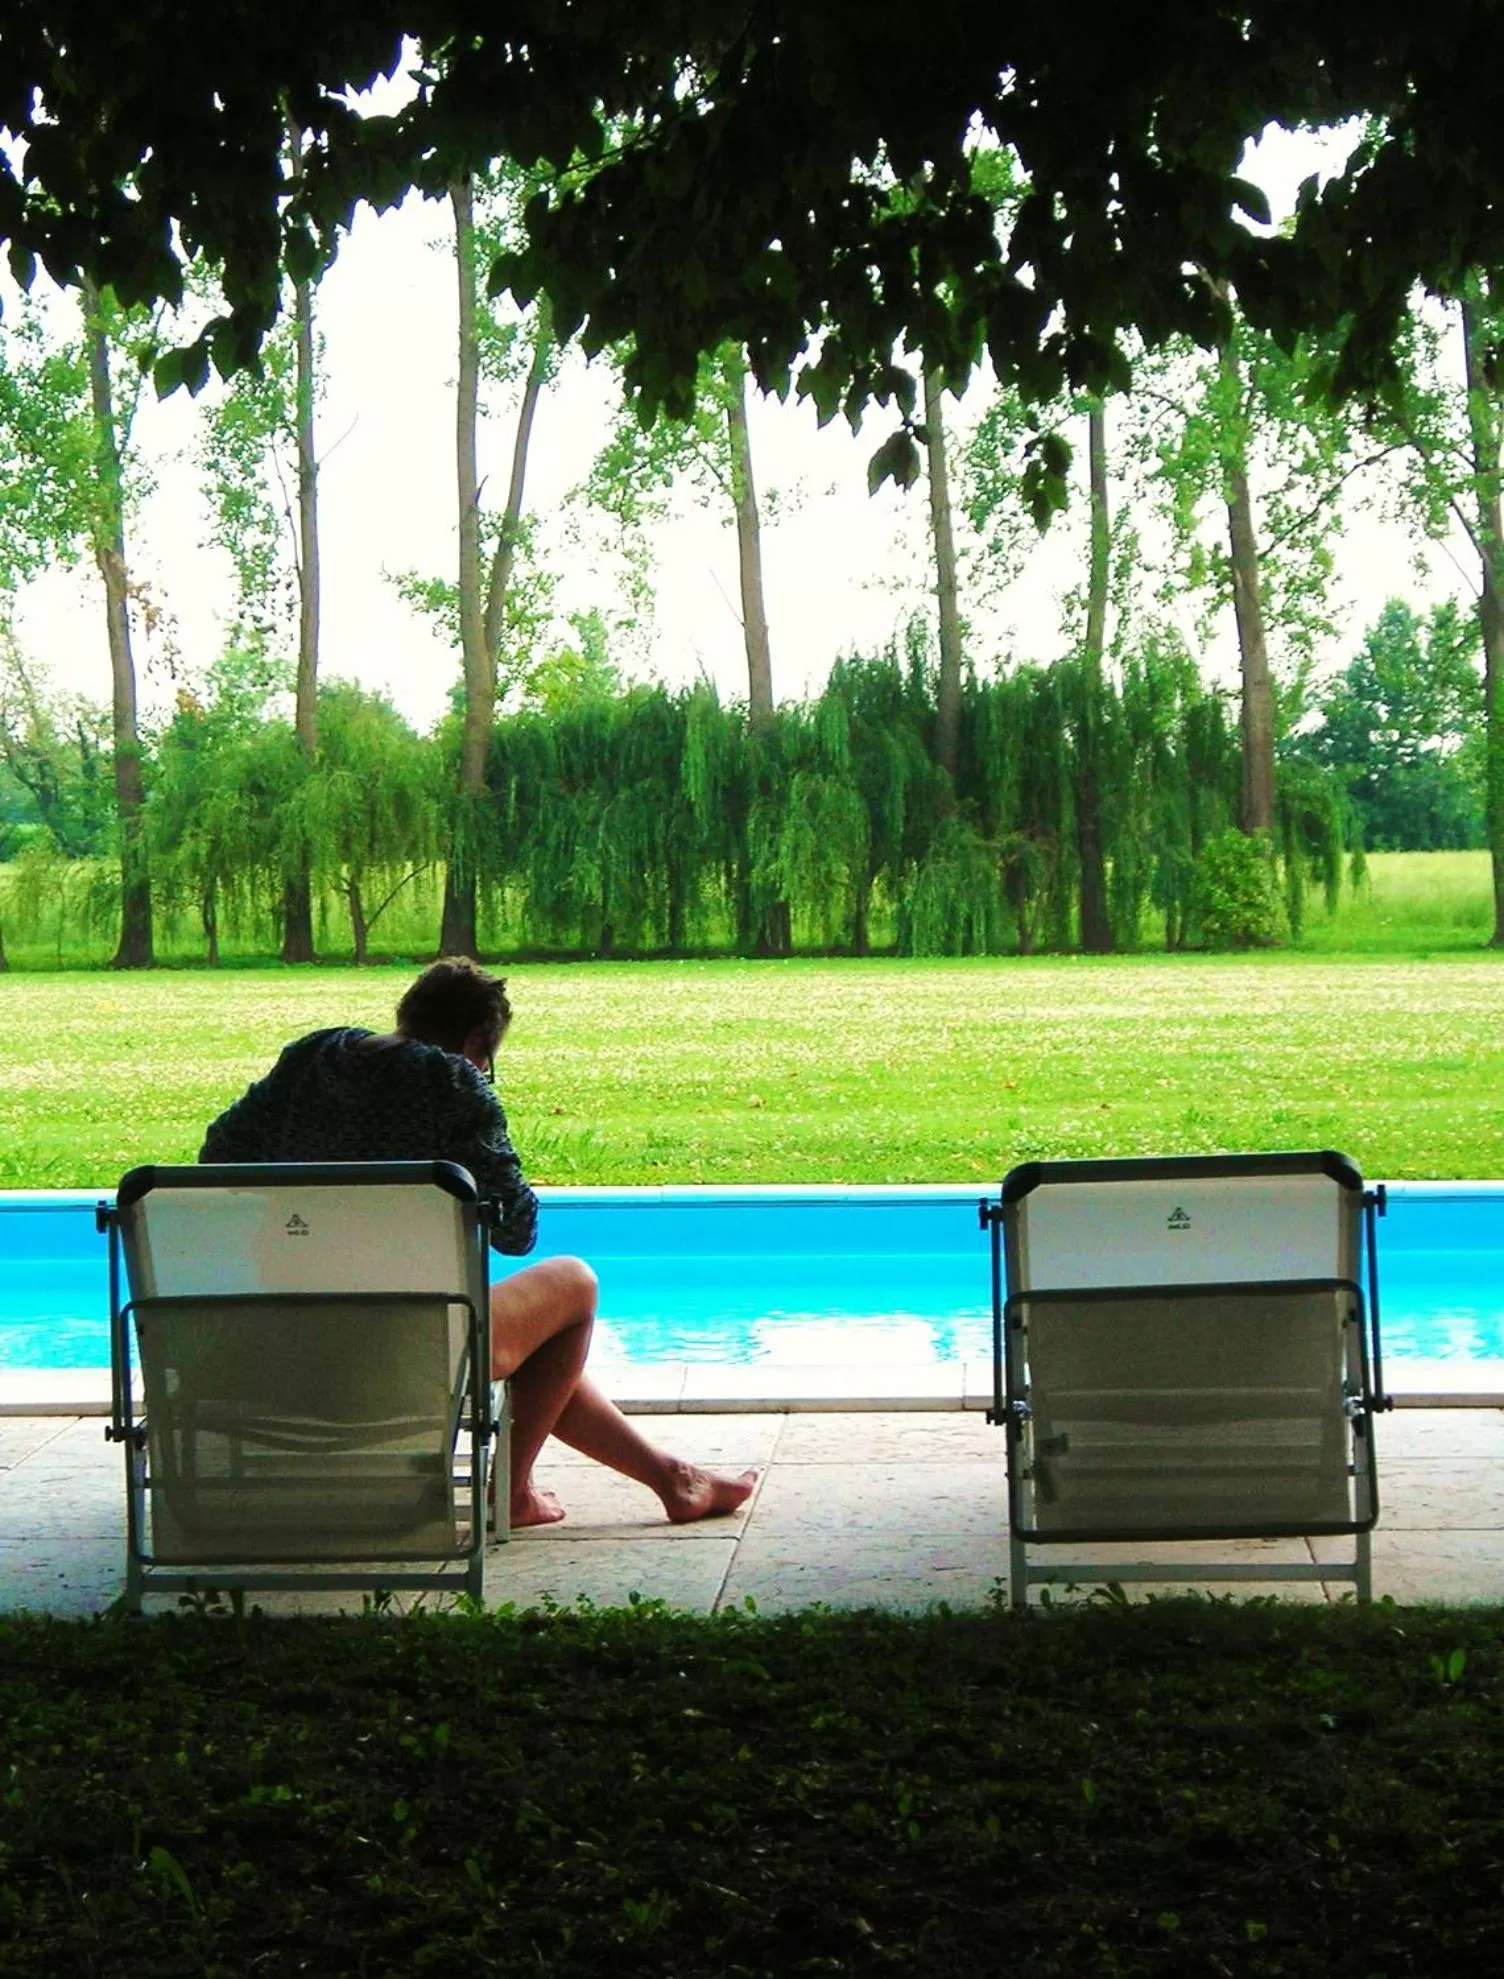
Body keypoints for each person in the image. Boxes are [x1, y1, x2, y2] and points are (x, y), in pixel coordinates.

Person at [199, 957, 758, 1530]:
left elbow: (216, 1155)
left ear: (407, 1013)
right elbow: (519, 1233)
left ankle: (673, 1478)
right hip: (401, 1355)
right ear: (473, 1042)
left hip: (276, 1340)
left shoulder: (311, 1057)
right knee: (572, 1285)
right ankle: (513, 1493)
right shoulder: (451, 1082)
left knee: (525, 1333)